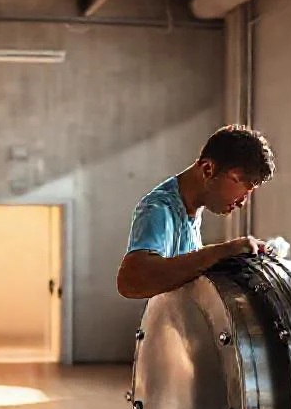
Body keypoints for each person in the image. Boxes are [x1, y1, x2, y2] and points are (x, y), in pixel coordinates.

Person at [117, 125, 277, 300]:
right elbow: (130, 281)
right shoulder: (159, 208)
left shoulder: (190, 209)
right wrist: (223, 251)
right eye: (242, 187)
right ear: (208, 169)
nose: (242, 202)